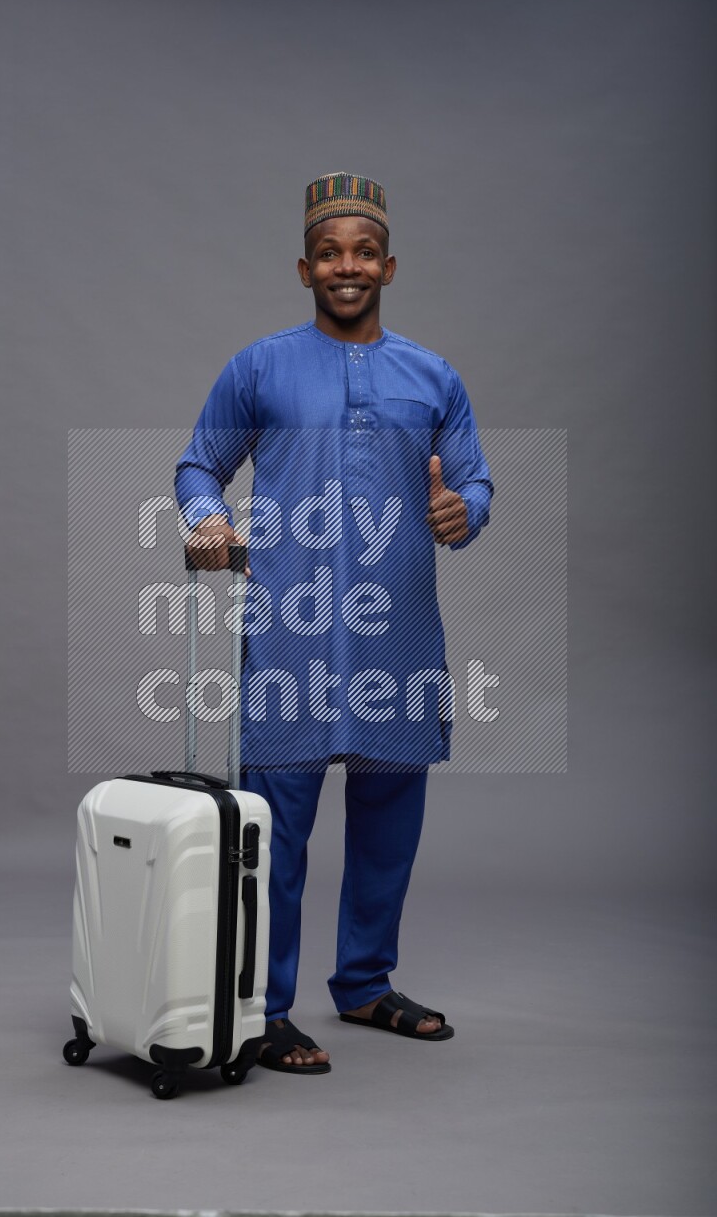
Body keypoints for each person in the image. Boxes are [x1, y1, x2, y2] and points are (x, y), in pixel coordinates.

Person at [175, 172, 493, 1074]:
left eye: (362, 252)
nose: (345, 266)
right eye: (328, 252)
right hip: (293, 631)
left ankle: (363, 984)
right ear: (304, 267)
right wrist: (206, 519)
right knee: (276, 828)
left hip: (398, 629)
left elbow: (474, 485)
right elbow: (200, 465)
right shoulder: (262, 366)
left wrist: (462, 513)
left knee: (391, 821)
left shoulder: (434, 376)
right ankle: (264, 1008)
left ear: (388, 265)